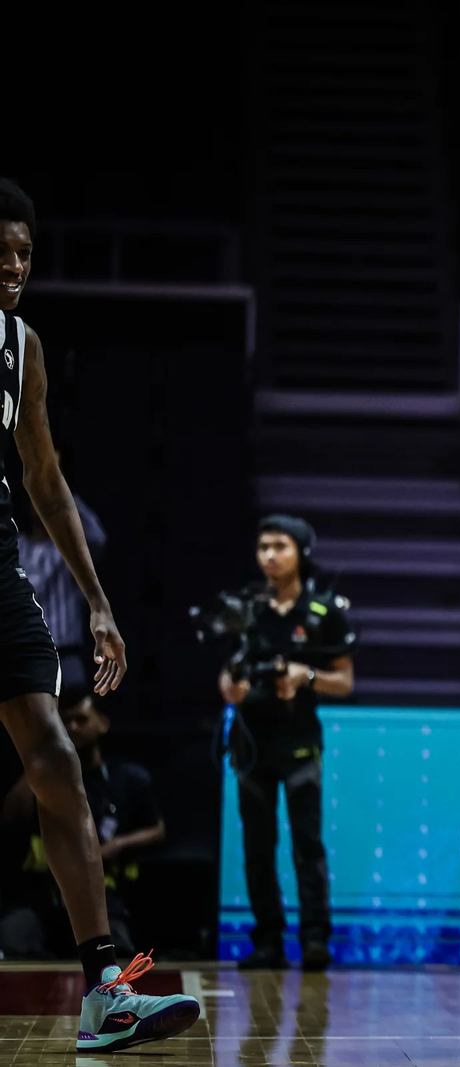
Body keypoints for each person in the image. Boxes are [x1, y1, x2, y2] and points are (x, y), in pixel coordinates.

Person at [0, 177, 199, 1052]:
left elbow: (45, 480)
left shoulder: (23, 347)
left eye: (24, 253)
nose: (12, 266)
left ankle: (103, 991)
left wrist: (99, 601)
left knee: (55, 758)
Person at [219, 515, 355, 972]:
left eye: (280, 546)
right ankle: (268, 941)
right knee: (258, 847)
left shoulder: (324, 611)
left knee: (306, 843)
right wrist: (231, 689)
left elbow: (345, 682)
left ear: (301, 552)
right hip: (251, 745)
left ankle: (315, 938)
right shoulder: (244, 608)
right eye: (263, 547)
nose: (270, 555)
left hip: (300, 745)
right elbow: (227, 674)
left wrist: (306, 676)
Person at [0, 689, 164, 959]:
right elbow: (11, 819)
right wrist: (39, 761)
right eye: (66, 722)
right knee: (12, 940)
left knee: (118, 949)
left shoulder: (127, 778)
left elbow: (158, 830)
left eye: (81, 719)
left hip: (98, 894)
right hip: (42, 894)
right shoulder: (44, 777)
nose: (73, 728)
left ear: (103, 723)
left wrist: (118, 845)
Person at [16, 462, 107, 698]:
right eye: (37, 497)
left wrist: (58, 487)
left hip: (66, 653)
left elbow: (96, 538)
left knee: (75, 716)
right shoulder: (17, 546)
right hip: (25, 652)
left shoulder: (65, 550)